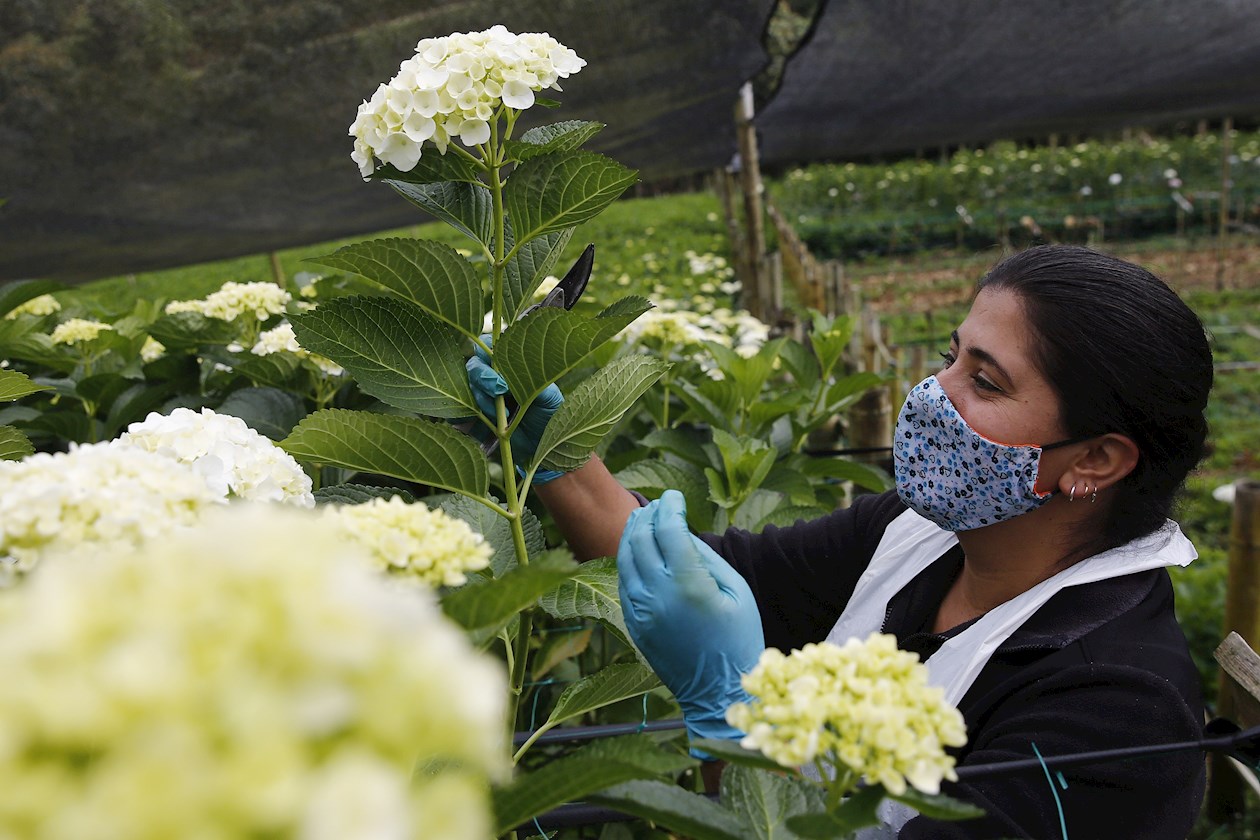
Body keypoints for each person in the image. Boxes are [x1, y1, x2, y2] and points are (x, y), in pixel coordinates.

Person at [467, 244, 1214, 838]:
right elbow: (698, 574)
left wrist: (734, 715)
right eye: (952, 356)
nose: (933, 393)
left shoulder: (1117, 706)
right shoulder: (914, 533)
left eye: (984, 383)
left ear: (1095, 460)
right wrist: (553, 452)